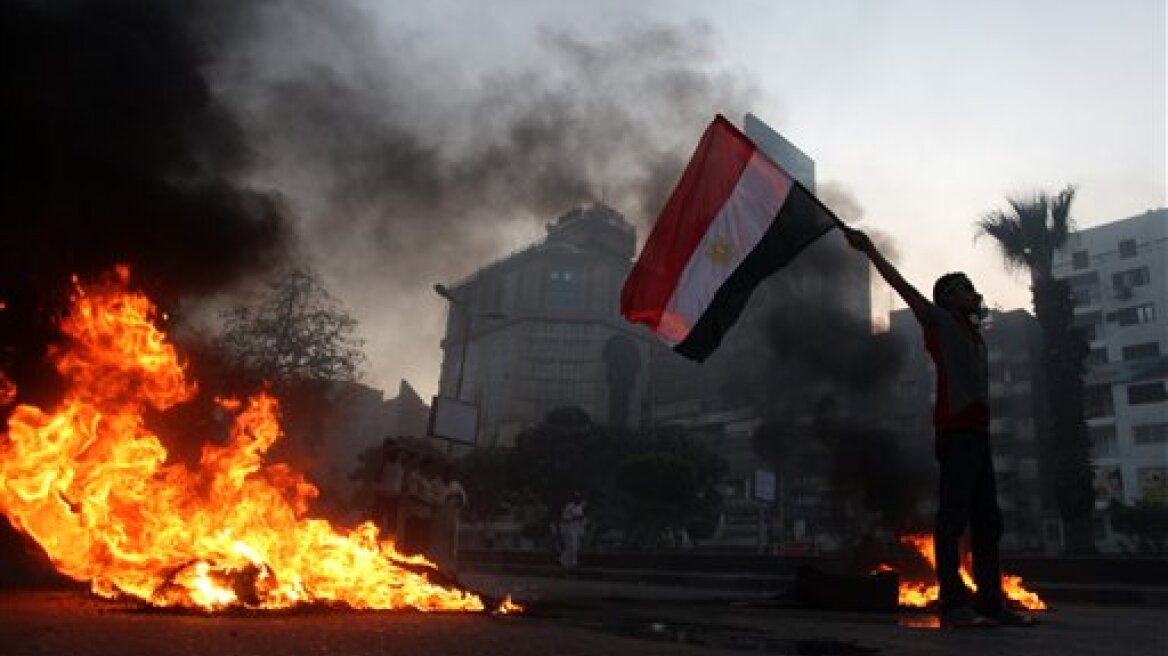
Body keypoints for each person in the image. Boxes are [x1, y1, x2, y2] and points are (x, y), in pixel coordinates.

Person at [844, 227, 1038, 629]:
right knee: (952, 520)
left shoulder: (976, 336)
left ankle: (989, 601)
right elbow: (902, 286)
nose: (973, 293)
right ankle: (953, 602)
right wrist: (871, 250)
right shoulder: (938, 321)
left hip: (979, 436)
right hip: (955, 434)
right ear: (948, 297)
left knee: (989, 521)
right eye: (965, 288)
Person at [558, 494, 586, 569]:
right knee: (569, 547)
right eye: (577, 499)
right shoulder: (569, 506)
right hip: (568, 529)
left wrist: (581, 531)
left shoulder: (580, 507)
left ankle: (573, 563)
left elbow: (582, 520)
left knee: (575, 547)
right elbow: (565, 518)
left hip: (576, 530)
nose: (578, 501)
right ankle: (566, 562)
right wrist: (574, 517)